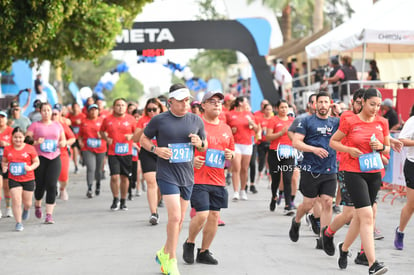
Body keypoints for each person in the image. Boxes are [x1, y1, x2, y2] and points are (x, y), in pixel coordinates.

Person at [140, 83, 207, 275]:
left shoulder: (196, 120)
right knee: (175, 217)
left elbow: (204, 145)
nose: (185, 104)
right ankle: (172, 259)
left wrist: (199, 143)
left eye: (187, 100)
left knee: (178, 221)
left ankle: (164, 252)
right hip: (167, 174)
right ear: (170, 102)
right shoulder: (159, 120)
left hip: (187, 175)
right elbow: (143, 140)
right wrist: (156, 149)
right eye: (181, 101)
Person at [329, 88, 389, 274]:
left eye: (378, 105)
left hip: (374, 172)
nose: (375, 109)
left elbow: (387, 150)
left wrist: (381, 146)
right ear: (362, 102)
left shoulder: (382, 122)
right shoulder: (349, 120)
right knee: (367, 216)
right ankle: (373, 264)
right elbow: (333, 142)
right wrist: (348, 150)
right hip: (353, 171)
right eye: (372, 104)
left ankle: (344, 248)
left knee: (360, 216)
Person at [182, 90, 235, 265]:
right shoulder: (195, 125)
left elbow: (232, 153)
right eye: (212, 101)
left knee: (213, 215)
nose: (217, 104)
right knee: (202, 214)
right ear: (203, 105)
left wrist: (230, 155)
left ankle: (204, 251)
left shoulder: (226, 128)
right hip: (198, 179)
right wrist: (192, 160)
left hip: (218, 179)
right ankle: (189, 243)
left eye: (219, 101)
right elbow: (181, 151)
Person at [289, 92, 339, 245]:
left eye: (325, 102)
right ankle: (296, 221)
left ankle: (324, 237)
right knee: (308, 204)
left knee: (328, 202)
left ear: (330, 104)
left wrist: (340, 111)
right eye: (320, 102)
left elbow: (353, 122)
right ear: (314, 105)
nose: (323, 105)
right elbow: (296, 143)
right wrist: (314, 149)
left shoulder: (336, 122)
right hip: (310, 169)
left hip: (330, 169)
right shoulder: (306, 121)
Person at [26, 102, 66, 224]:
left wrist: (63, 143)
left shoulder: (57, 125)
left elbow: (63, 139)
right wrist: (36, 142)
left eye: (48, 110)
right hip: (40, 158)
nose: (46, 113)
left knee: (52, 185)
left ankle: (49, 215)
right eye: (44, 110)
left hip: (54, 157)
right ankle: (38, 204)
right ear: (40, 112)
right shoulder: (35, 125)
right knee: (40, 185)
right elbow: (27, 140)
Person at [100, 98, 139, 211]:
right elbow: (101, 131)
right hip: (113, 152)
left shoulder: (131, 119)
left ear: (126, 107)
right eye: (118, 105)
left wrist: (131, 137)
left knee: (124, 177)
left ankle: (123, 200)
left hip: (126, 152)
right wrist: (107, 139)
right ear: (114, 107)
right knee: (114, 176)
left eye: (122, 105)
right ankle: (115, 198)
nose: (120, 107)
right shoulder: (108, 119)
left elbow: (137, 133)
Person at [2, 127, 39, 231]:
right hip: (14, 178)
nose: (18, 139)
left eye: (20, 137)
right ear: (12, 138)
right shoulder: (8, 149)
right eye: (15, 137)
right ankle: (18, 222)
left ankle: (26, 209)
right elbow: (4, 161)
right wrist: (4, 167)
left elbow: (37, 161)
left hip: (28, 178)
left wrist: (30, 167)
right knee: (16, 200)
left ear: (24, 137)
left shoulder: (30, 148)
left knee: (28, 203)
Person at [136, 98, 166, 225]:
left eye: (154, 109)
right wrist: (145, 129)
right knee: (151, 182)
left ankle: (159, 199)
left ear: (160, 109)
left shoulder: (166, 119)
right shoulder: (143, 121)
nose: (152, 112)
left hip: (163, 152)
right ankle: (154, 213)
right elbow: (135, 138)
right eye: (149, 110)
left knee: (160, 183)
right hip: (147, 152)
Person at [226, 96, 259, 201]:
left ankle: (243, 190)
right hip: (235, 144)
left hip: (247, 144)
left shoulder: (249, 115)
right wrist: (231, 130)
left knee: (245, 169)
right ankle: (235, 191)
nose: (247, 103)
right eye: (246, 101)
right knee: (236, 167)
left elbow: (257, 129)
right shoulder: (230, 114)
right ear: (240, 103)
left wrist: (252, 124)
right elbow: (225, 129)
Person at [266, 99, 295, 215]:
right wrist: (280, 133)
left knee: (288, 178)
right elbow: (268, 137)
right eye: (282, 107)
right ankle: (274, 196)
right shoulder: (273, 120)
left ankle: (288, 205)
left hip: (289, 152)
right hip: (275, 152)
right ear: (277, 109)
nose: (284, 109)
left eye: (286, 107)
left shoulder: (292, 121)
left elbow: (296, 136)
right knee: (276, 179)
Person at [394, 104, 414, 250]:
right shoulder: (412, 121)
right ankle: (400, 231)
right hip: (413, 165)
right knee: (412, 205)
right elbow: (401, 140)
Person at [79, 104, 107, 198]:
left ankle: (98, 184)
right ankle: (90, 187)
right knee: (91, 168)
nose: (93, 112)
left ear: (98, 111)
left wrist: (103, 135)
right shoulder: (84, 122)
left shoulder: (103, 121)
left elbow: (108, 133)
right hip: (88, 148)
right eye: (91, 110)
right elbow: (79, 135)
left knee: (98, 170)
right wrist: (80, 142)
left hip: (101, 148)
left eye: (95, 110)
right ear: (88, 111)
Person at [52, 104, 76, 201]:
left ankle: (62, 188)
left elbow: (72, 138)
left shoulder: (63, 125)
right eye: (52, 114)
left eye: (55, 114)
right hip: (48, 154)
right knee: (50, 175)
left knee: (64, 176)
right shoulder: (43, 126)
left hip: (62, 153)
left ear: (60, 115)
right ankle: (53, 189)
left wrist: (65, 142)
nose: (53, 116)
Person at [0, 110, 14, 218]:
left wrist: (6, 144)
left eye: (2, 117)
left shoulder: (11, 131)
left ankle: (8, 208)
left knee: (6, 186)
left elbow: (17, 144)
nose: (1, 119)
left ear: (6, 119)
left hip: (8, 161)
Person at [67, 103, 86, 174]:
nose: (75, 109)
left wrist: (81, 123)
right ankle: (76, 166)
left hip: (81, 137)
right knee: (74, 150)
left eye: (77, 107)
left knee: (82, 150)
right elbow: (66, 121)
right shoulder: (69, 115)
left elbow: (86, 124)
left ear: (79, 108)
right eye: (74, 107)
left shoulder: (83, 116)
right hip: (73, 137)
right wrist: (72, 122)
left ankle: (82, 158)